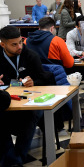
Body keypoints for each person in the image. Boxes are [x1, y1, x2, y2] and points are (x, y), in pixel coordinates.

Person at [0, 26, 53, 166]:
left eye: (20, 42)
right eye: (14, 44)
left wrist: (34, 81)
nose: (19, 46)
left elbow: (45, 79)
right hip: (6, 101)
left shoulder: (30, 56)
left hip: (31, 101)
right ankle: (12, 159)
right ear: (2, 44)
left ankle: (16, 161)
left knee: (30, 116)